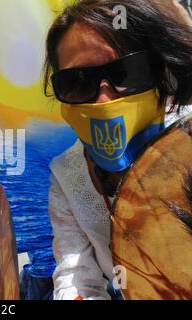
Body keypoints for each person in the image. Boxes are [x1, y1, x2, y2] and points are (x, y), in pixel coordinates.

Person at [43, 0, 192, 299]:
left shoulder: (187, 142)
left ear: (161, 73)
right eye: (77, 82)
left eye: (126, 73)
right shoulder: (66, 176)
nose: (103, 100)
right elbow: (76, 277)